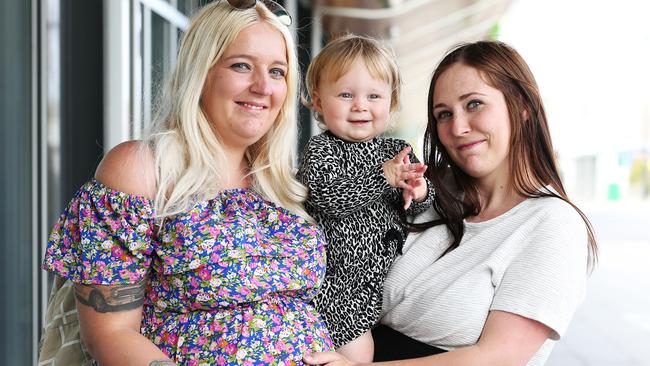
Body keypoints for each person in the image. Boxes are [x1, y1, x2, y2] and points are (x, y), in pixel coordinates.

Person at [40, 1, 334, 365]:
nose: (262, 86)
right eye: (241, 65)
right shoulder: (142, 171)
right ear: (201, 71)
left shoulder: (282, 185)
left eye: (277, 71)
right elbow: (111, 333)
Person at [303, 40, 598, 366]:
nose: (457, 127)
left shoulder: (552, 224)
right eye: (444, 114)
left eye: (474, 104)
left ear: (522, 106)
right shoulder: (432, 191)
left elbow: (498, 358)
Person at [296, 34, 434, 362]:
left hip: (372, 289)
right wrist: (383, 178)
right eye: (345, 95)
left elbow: (424, 204)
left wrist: (419, 190)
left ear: (392, 102)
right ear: (317, 101)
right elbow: (329, 198)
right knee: (359, 355)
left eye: (374, 96)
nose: (360, 106)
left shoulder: (396, 152)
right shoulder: (321, 150)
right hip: (332, 288)